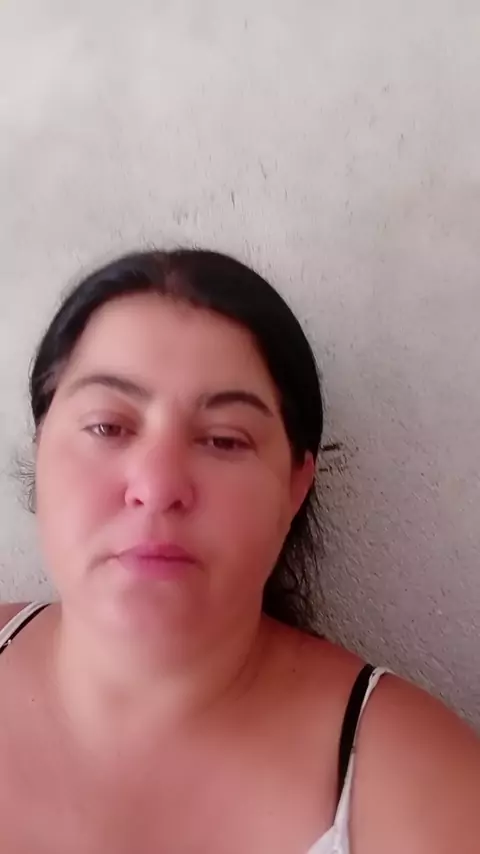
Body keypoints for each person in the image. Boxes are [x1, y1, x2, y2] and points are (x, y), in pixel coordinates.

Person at [0, 249, 478, 854]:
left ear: (295, 484)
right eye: (108, 426)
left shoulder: (425, 791)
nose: (158, 485)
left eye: (224, 440)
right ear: (40, 446)